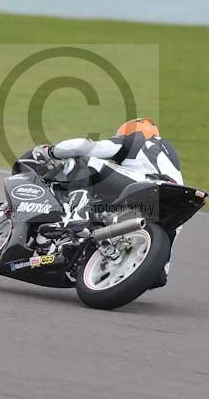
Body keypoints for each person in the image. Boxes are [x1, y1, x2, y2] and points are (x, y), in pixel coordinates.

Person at [30, 118, 183, 288]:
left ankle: (77, 216)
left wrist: (51, 151)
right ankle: (157, 266)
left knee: (82, 161)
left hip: (148, 184)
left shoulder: (136, 140)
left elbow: (83, 147)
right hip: (175, 198)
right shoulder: (166, 154)